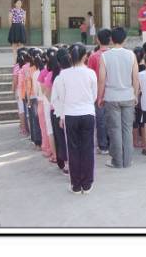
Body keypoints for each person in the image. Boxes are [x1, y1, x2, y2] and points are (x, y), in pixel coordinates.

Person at [56, 43, 97, 194]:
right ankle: (87, 184)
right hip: (87, 114)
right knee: (87, 148)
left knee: (73, 149)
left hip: (71, 115)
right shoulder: (91, 73)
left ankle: (76, 184)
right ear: (85, 56)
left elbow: (60, 97)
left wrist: (62, 114)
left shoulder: (64, 75)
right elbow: (94, 95)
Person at [97, 27, 140, 169]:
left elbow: (102, 80)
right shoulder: (131, 55)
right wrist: (136, 94)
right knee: (127, 129)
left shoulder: (105, 56)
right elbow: (135, 78)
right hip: (128, 96)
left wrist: (100, 97)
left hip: (111, 97)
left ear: (111, 39)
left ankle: (117, 161)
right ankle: (127, 161)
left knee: (115, 129)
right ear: (125, 39)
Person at [87, 29, 112, 155]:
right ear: (111, 40)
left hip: (98, 92)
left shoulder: (93, 57)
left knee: (101, 120)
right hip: (113, 92)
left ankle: (103, 146)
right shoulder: (114, 55)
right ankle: (114, 144)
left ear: (97, 40)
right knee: (113, 119)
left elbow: (90, 77)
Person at [51, 47, 72, 174]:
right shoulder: (82, 73)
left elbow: (54, 99)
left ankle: (67, 164)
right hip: (78, 112)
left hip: (62, 114)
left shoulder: (57, 77)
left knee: (63, 139)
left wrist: (60, 116)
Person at [26, 48, 43, 149]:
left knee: (36, 120)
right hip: (41, 96)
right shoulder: (42, 68)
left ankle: (37, 142)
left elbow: (29, 85)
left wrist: (28, 99)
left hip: (34, 96)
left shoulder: (29, 69)